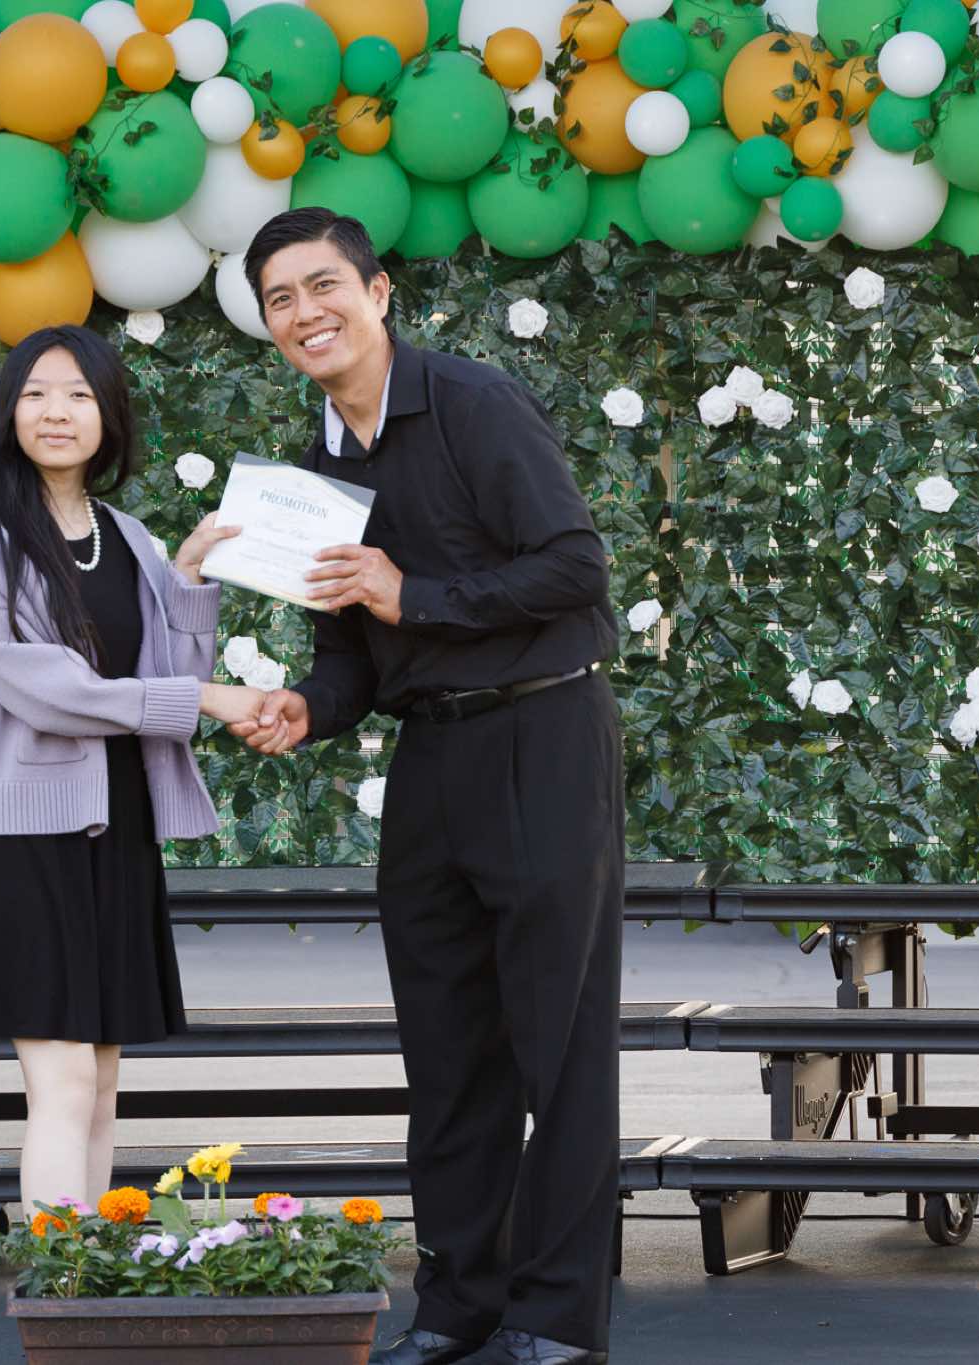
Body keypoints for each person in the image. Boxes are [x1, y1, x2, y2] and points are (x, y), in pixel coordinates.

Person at [232, 208, 624, 1365]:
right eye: (279, 300)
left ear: (376, 291)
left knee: (557, 1048)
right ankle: (458, 1306)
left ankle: (556, 1318)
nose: (304, 313)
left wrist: (417, 597)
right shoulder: (310, 474)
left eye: (322, 286)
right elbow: (349, 656)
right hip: (429, 760)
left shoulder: (470, 403)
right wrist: (309, 708)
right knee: (447, 1054)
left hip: (543, 734)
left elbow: (575, 567)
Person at [0, 324, 261, 1225]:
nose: (55, 411)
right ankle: (60, 1276)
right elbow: (43, 687)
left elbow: (168, 672)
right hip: (23, 830)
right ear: (8, 410)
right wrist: (201, 696)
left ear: (109, 415)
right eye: (35, 393)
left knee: (100, 1079)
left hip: (116, 820)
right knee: (64, 1078)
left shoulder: (126, 535)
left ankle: (88, 1267)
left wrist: (187, 578)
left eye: (77, 394)